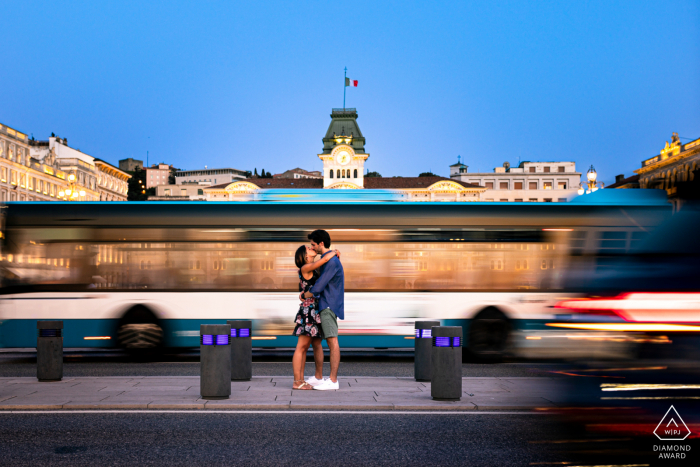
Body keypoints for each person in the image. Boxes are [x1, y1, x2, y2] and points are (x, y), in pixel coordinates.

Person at [291, 245, 340, 390]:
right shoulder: (305, 268)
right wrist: (334, 252)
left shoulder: (312, 268)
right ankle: (297, 381)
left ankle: (310, 378)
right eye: (308, 248)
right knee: (302, 346)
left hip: (316, 310)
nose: (312, 247)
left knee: (315, 345)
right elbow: (325, 259)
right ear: (305, 256)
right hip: (308, 311)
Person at [303, 229, 345, 391]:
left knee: (332, 341)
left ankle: (333, 381)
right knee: (318, 342)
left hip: (328, 304)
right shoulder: (327, 259)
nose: (312, 247)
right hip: (323, 304)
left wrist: (304, 295)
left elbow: (319, 286)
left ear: (321, 243)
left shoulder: (332, 262)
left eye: (313, 244)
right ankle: (319, 377)